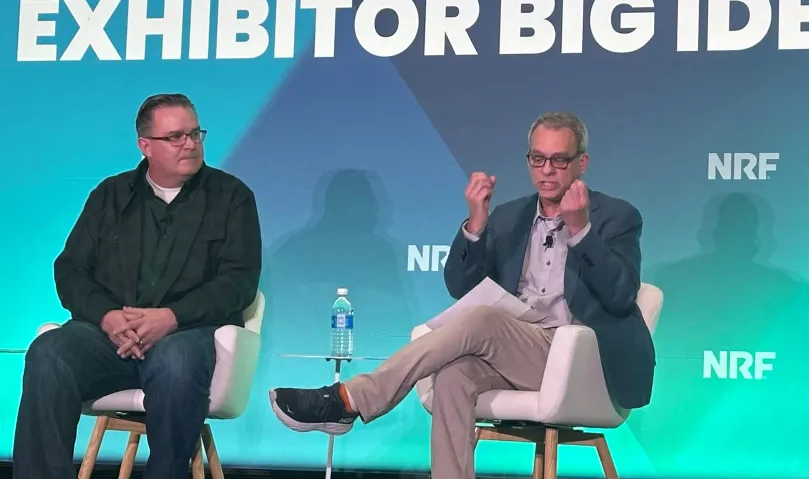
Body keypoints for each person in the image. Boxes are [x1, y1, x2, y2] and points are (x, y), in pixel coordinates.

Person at [270, 111, 655, 479]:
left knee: (484, 320)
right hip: (518, 348)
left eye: (559, 160)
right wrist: (476, 223)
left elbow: (621, 295)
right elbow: (460, 286)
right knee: (453, 376)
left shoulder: (616, 217)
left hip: (579, 359)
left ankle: (350, 399)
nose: (547, 171)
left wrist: (581, 230)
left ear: (581, 163)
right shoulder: (510, 217)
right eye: (538, 159)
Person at [14, 93, 263, 479]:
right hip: (109, 337)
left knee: (176, 363)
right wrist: (108, 317)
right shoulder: (110, 196)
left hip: (185, 333)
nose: (191, 144)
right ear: (145, 146)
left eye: (196, 134)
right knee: (49, 353)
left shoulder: (231, 198)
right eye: (176, 136)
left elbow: (239, 283)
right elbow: (70, 269)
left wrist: (171, 317)